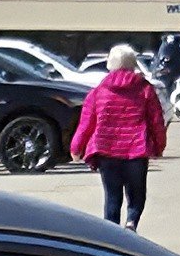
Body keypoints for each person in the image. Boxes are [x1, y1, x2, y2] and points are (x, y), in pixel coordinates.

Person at [70, 43, 168, 230]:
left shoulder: (99, 91)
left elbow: (86, 123)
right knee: (136, 195)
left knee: (112, 196)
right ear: (133, 64)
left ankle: (112, 236)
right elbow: (156, 120)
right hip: (136, 151)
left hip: (107, 151)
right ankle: (131, 223)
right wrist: (159, 145)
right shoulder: (144, 89)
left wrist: (76, 148)